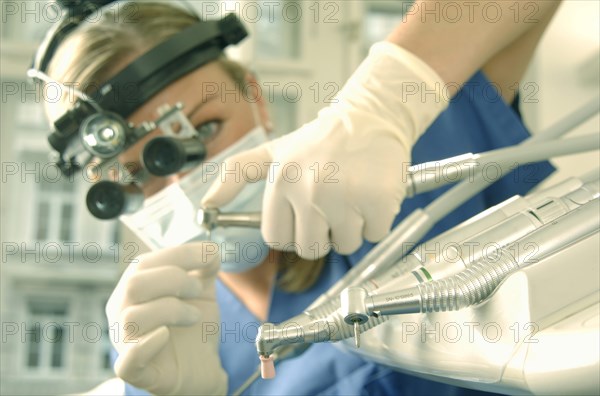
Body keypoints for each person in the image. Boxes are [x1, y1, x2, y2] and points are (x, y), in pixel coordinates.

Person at [34, 1, 560, 394]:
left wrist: (384, 99)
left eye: (203, 130)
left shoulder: (401, 160)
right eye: (133, 177)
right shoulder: (156, 338)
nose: (182, 186)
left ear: (257, 99)